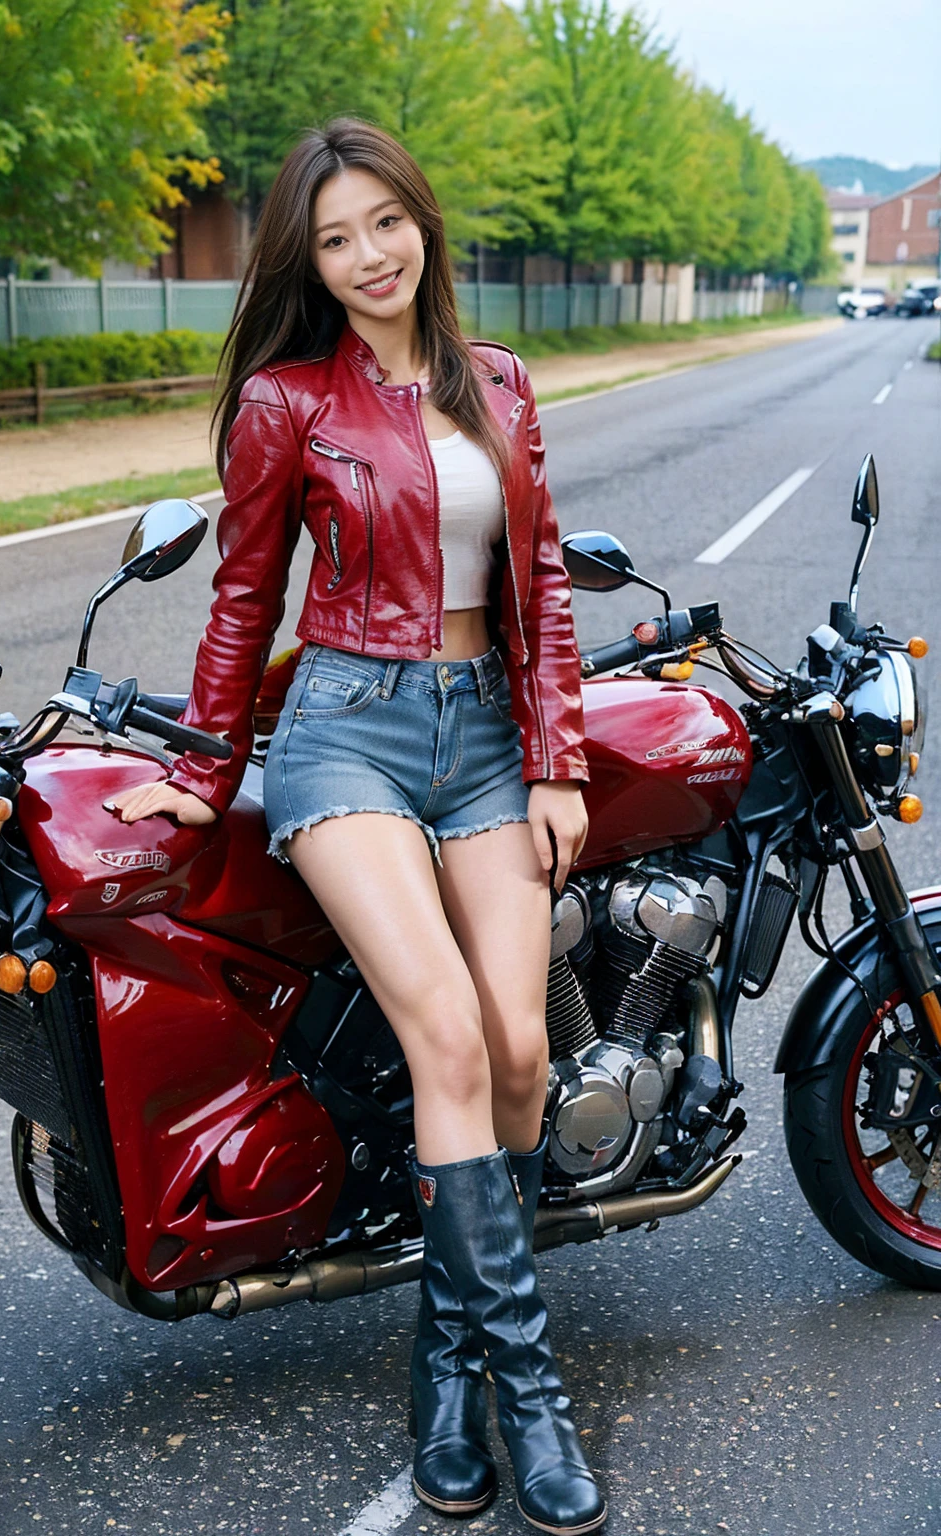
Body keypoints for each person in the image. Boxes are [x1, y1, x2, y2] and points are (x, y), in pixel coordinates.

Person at [110, 118, 606, 1536]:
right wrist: (207, 771)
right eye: (335, 240)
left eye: (385, 223)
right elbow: (242, 595)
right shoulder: (287, 403)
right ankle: (530, 1400)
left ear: (422, 223)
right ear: (310, 264)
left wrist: (558, 761)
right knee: (447, 1035)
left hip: (490, 748)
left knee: (519, 1052)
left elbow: (547, 584)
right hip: (345, 734)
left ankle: (441, 1370)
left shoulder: (500, 386)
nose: (368, 255)